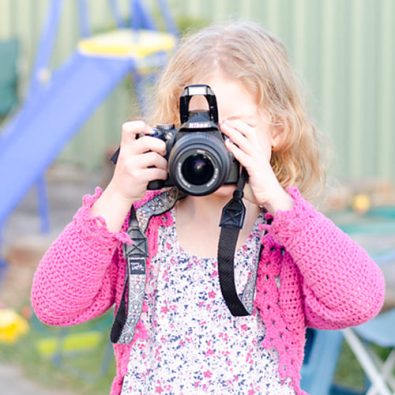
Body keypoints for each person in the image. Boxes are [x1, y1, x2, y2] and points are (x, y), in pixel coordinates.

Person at [31, 21, 385, 395]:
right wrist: (118, 195)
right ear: (171, 130)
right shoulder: (142, 229)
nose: (212, 147)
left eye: (234, 131)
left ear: (277, 131)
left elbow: (360, 301)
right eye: (199, 128)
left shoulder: (286, 238)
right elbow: (55, 305)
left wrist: (281, 204)